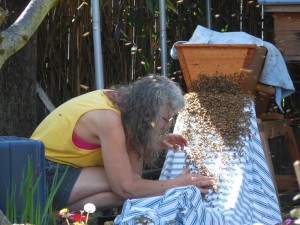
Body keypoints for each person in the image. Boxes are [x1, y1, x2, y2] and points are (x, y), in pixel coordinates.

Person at [31, 75, 214, 210]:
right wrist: (177, 184)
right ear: (148, 112)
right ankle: (51, 214)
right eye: (166, 119)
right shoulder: (109, 120)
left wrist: (155, 140)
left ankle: (56, 216)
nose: (167, 125)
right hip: (38, 174)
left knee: (133, 188)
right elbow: (127, 188)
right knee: (127, 187)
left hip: (54, 169)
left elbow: (132, 179)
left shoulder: (125, 106)